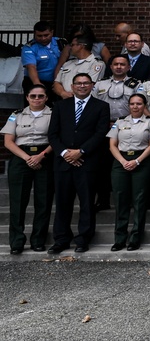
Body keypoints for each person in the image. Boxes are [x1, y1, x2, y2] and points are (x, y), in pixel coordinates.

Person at [47, 73, 111, 253]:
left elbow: (100, 134)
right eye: (78, 84)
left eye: (86, 83)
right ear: (72, 86)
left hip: (87, 161)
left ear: (92, 85)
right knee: (62, 202)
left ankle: (83, 238)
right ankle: (61, 239)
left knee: (87, 202)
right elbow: (53, 134)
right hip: (63, 162)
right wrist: (65, 153)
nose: (82, 86)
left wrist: (80, 152)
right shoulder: (60, 106)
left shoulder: (101, 107)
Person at [2, 84, 53, 254]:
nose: (37, 99)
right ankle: (16, 242)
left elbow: (57, 138)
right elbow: (8, 141)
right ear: (27, 97)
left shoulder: (54, 114)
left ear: (46, 98)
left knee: (43, 202)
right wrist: (27, 158)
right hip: (21, 158)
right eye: (33, 96)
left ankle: (38, 240)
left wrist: (41, 156)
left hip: (44, 157)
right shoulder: (16, 115)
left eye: (40, 96)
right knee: (17, 202)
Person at [106, 93, 150, 251]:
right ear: (129, 106)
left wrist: (137, 161)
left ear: (144, 106)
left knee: (139, 200)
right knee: (121, 200)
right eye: (132, 104)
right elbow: (112, 145)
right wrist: (123, 161)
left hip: (141, 161)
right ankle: (119, 239)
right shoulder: (120, 122)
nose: (135, 106)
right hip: (120, 161)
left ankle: (135, 238)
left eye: (139, 104)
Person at [92, 54, 139, 210]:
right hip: (103, 128)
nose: (119, 67)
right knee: (102, 166)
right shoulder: (99, 85)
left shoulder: (136, 85)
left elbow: (140, 105)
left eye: (122, 64)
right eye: (116, 64)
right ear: (111, 67)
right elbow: (92, 105)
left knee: (128, 163)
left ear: (128, 67)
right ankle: (103, 199)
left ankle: (131, 199)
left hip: (129, 127)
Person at [21, 21, 62, 97]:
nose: (43, 38)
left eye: (46, 35)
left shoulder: (61, 43)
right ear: (34, 34)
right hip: (35, 81)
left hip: (58, 83)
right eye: (39, 36)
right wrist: (37, 84)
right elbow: (31, 67)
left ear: (52, 32)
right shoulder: (29, 47)